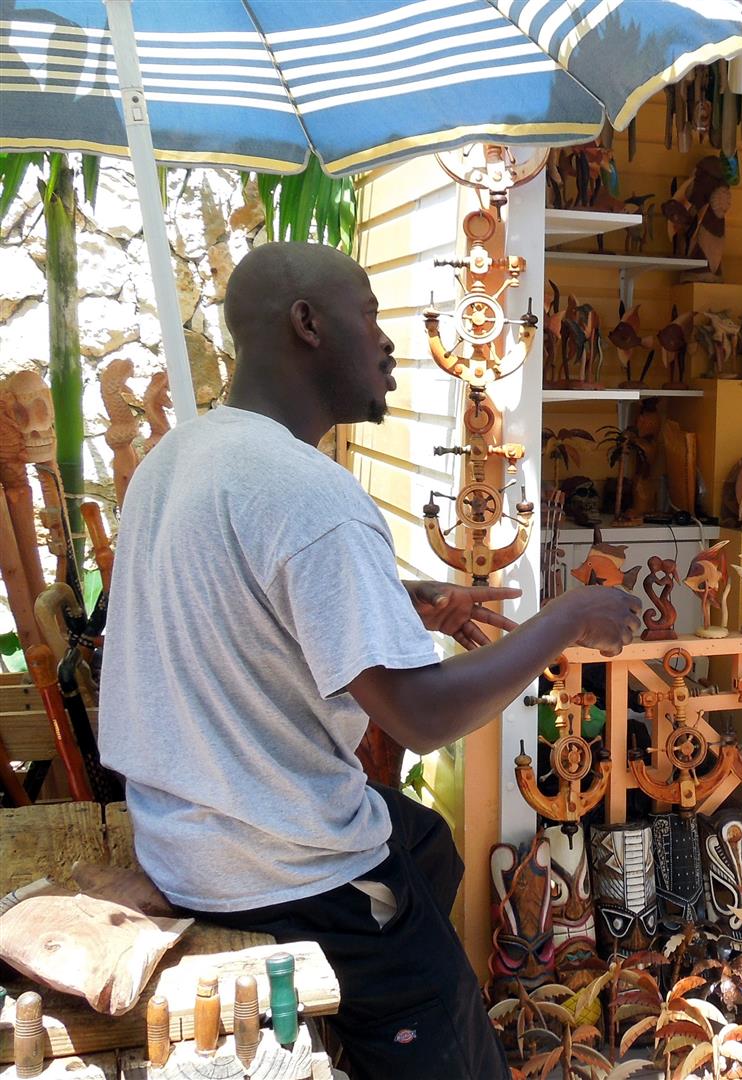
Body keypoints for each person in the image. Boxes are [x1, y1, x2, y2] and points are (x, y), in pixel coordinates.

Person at [98, 242, 642, 1079]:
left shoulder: (183, 455)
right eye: (370, 314)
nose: (388, 343)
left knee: (426, 842)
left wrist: (389, 600)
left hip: (182, 834)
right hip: (279, 870)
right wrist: (565, 619)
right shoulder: (310, 495)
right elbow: (420, 719)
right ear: (307, 324)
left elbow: (241, 596)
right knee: (456, 1041)